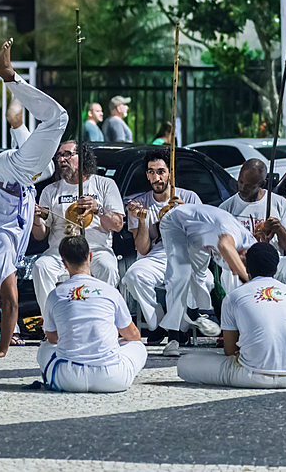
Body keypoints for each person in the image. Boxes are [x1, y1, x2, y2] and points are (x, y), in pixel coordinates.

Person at [0, 39, 68, 358]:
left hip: (12, 178)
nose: (5, 287)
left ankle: (8, 74)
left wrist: (0, 348)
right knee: (51, 166)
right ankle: (18, 126)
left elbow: (9, 301)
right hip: (11, 177)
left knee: (58, 119)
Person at [177, 243, 286, 389]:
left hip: (250, 376)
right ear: (277, 268)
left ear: (246, 267)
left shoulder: (233, 297)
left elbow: (229, 351)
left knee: (185, 363)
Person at [38, 235, 147, 392]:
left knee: (45, 348)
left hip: (68, 378)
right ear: (90, 256)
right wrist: (115, 342)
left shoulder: (55, 294)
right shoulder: (110, 291)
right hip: (111, 378)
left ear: (63, 263)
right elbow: (133, 335)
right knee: (138, 347)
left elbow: (52, 338)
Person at [121, 148, 203, 348]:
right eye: (151, 172)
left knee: (192, 279)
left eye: (161, 171)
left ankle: (181, 329)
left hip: (185, 256)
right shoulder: (140, 203)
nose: (156, 177)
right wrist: (141, 221)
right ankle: (157, 323)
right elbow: (143, 249)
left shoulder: (190, 197)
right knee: (133, 275)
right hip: (156, 257)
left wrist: (185, 213)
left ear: (170, 173)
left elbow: (201, 240)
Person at [31, 140, 124, 312]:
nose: (61, 159)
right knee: (40, 267)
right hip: (60, 252)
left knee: (108, 267)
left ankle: (104, 317)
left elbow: (118, 225)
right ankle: (52, 324)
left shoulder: (104, 185)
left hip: (95, 250)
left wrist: (98, 208)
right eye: (59, 155)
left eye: (67, 154)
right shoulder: (50, 191)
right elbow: (39, 235)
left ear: (83, 158)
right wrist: (36, 219)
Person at [158, 203, 257, 338]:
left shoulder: (254, 250)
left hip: (200, 236)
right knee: (181, 274)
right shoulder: (233, 236)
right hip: (175, 222)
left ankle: (195, 315)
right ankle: (173, 336)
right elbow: (224, 245)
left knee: (200, 276)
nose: (235, 270)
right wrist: (247, 280)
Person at [218, 159, 286, 307]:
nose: (242, 188)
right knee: (230, 269)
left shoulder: (279, 203)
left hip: (274, 264)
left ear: (262, 184)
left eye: (249, 186)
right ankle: (235, 319)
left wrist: (279, 229)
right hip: (245, 265)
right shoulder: (227, 208)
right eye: (240, 182)